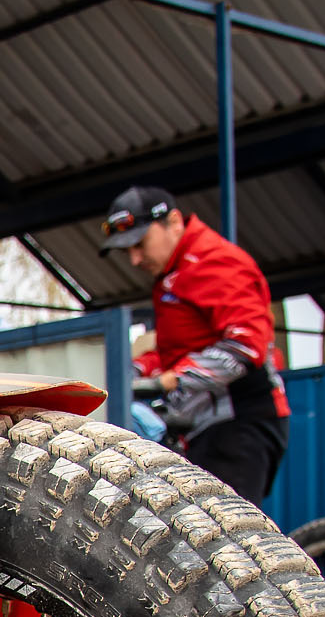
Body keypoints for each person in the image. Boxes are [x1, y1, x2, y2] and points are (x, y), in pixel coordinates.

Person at [101, 186, 289, 504]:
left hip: (239, 422)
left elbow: (246, 344)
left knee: (224, 543)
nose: (134, 259)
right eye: (126, 250)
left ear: (173, 221)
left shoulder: (213, 261)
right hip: (205, 427)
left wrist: (170, 381)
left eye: (139, 244)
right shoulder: (172, 275)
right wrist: (128, 371)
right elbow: (174, 351)